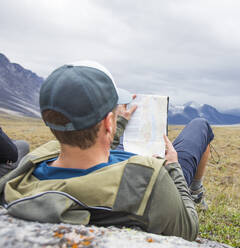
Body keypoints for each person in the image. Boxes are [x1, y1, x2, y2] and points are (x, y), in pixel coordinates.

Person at [0, 61, 214, 241]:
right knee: (199, 126)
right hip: (159, 174)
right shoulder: (149, 180)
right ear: (107, 123)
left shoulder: (29, 168)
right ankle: (195, 191)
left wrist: (118, 123)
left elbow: (87, 153)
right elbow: (189, 228)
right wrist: (174, 166)